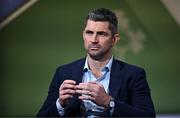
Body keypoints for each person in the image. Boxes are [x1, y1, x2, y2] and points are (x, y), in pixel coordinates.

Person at [37, 8, 155, 117]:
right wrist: (60, 104)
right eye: (89, 32)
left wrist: (109, 102)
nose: (93, 40)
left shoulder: (133, 75)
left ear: (114, 39)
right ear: (83, 35)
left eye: (101, 34)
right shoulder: (63, 73)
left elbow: (148, 116)